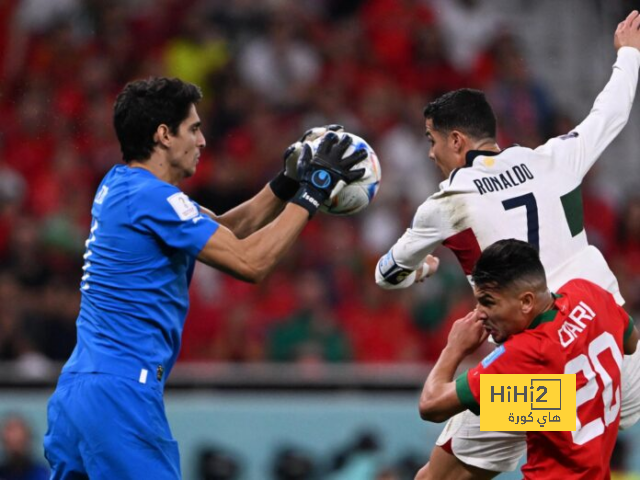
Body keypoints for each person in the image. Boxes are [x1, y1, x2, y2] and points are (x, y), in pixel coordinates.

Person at [42, 77, 366, 480]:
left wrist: (286, 182)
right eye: (193, 129)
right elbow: (251, 262)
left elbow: (230, 229)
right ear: (163, 135)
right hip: (119, 394)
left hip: (79, 390)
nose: (203, 141)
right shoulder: (152, 197)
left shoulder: (121, 185)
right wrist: (314, 191)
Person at [375, 10, 640, 480]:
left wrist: (422, 270)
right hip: (612, 354)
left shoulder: (448, 202)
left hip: (541, 378)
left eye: (432, 141)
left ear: (456, 140)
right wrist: (628, 55)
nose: (431, 153)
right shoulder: (553, 158)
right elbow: (611, 113)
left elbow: (387, 272)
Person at [417, 239, 639, 479]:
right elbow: (631, 341)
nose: (479, 313)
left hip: (554, 405)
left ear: (526, 301)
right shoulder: (587, 292)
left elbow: (431, 406)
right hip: (559, 403)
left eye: (487, 302)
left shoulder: (522, 353)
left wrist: (454, 348)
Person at [0, 414, 49, 480]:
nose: (15, 451)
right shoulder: (2, 473)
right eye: (10, 443)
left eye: (19, 443)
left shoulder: (42, 474)